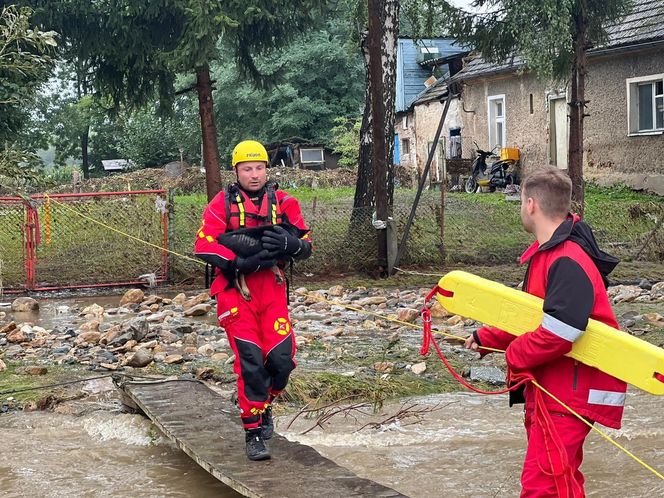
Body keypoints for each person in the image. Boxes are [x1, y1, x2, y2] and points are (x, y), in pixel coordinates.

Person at [465, 167, 625, 497]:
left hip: (568, 392)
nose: (521, 208)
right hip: (555, 389)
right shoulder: (551, 254)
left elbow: (562, 329)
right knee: (560, 480)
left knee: (542, 486)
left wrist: (514, 354)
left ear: (532, 204)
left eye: (521, 202)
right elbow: (534, 317)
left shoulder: (567, 258)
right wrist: (489, 339)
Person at [194, 140, 312, 461]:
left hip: (271, 290)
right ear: (236, 171)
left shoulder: (284, 202)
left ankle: (265, 404)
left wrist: (293, 244)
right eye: (247, 169)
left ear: (266, 169)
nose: (255, 174)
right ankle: (253, 431)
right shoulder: (222, 203)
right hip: (235, 290)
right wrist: (235, 261)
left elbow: (305, 242)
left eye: (259, 167)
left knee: (281, 361)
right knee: (250, 363)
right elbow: (203, 244)